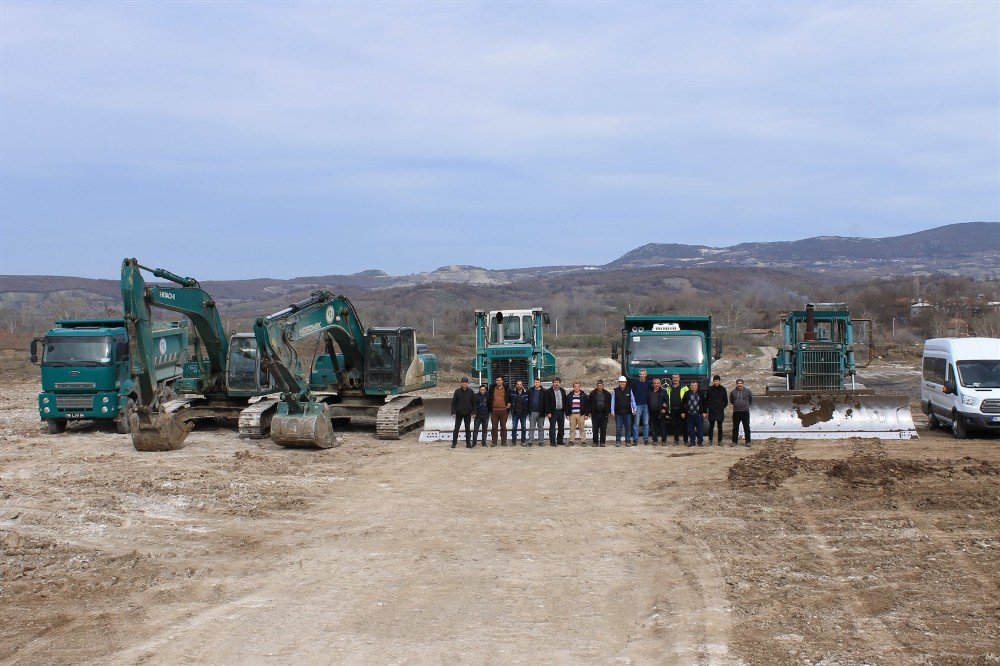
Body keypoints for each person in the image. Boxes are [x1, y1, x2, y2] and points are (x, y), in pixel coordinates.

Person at [450, 377, 476, 448]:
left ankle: (468, 444)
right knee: (456, 428)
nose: (464, 383)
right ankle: (454, 443)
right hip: (459, 413)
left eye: (466, 382)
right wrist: (453, 412)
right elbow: (453, 402)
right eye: (463, 382)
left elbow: (474, 403)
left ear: (467, 383)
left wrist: (474, 412)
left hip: (468, 413)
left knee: (468, 429)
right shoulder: (457, 391)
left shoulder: (471, 391)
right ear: (461, 383)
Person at [611, 376, 636, 446]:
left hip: (628, 412)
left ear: (626, 383)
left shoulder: (629, 390)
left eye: (623, 382)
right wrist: (612, 410)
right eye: (621, 382)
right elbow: (613, 401)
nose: (622, 383)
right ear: (619, 383)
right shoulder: (615, 390)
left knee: (628, 428)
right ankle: (618, 441)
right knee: (619, 428)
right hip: (618, 413)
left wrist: (635, 408)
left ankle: (627, 441)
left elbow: (632, 400)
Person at [681, 379, 706, 446]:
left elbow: (704, 403)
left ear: (697, 386)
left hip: (699, 414)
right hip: (689, 414)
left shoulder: (701, 393)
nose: (694, 387)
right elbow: (682, 403)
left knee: (699, 429)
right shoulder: (687, 393)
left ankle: (700, 442)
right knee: (690, 429)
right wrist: (683, 412)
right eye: (692, 385)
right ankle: (692, 442)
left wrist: (704, 412)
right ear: (690, 386)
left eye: (695, 385)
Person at [544, 376, 568, 446]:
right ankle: (552, 442)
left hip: (561, 412)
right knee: (552, 427)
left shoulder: (562, 391)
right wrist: (548, 412)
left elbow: (565, 401)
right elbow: (546, 403)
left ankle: (560, 440)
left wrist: (566, 413)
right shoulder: (548, 391)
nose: (556, 384)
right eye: (555, 382)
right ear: (553, 383)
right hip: (552, 412)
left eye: (557, 382)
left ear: (560, 383)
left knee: (561, 427)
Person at [487, 376, 510, 446]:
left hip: (504, 410)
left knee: (503, 427)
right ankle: (494, 442)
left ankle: (503, 442)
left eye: (500, 380)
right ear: (495, 381)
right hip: (494, 410)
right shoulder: (492, 388)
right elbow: (488, 398)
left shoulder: (506, 388)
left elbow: (509, 397)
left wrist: (509, 403)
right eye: (497, 380)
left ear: (502, 381)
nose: (498, 381)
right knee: (494, 427)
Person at [706, 374, 729, 446]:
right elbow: (707, 400)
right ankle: (710, 440)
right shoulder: (709, 389)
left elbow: (726, 401)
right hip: (712, 410)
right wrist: (709, 407)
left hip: (719, 410)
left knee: (720, 427)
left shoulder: (723, 389)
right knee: (711, 426)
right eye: (715, 381)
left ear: (720, 382)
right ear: (713, 381)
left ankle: (720, 441)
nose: (716, 382)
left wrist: (722, 407)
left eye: (717, 381)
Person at [631, 368, 652, 444]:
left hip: (646, 405)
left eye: (643, 374)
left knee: (646, 423)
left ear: (646, 375)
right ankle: (635, 440)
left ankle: (646, 439)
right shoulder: (635, 383)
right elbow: (632, 394)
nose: (642, 375)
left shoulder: (649, 383)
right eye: (641, 374)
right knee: (636, 424)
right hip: (637, 405)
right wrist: (633, 405)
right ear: (639, 375)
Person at [730, 378, 753, 447]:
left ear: (743, 384)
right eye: (738, 383)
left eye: (740, 383)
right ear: (736, 384)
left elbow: (751, 400)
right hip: (736, 412)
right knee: (735, 428)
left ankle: (748, 441)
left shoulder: (748, 391)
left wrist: (745, 405)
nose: (739, 385)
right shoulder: (733, 392)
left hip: (745, 412)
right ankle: (734, 442)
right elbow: (731, 400)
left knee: (746, 427)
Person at [588, 379, 611, 446]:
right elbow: (589, 403)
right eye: (598, 385)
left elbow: (609, 403)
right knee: (595, 428)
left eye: (601, 385)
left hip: (604, 413)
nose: (599, 387)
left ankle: (602, 442)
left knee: (603, 428)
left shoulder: (607, 394)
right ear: (596, 386)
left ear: (603, 386)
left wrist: (609, 412)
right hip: (595, 413)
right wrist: (589, 412)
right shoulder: (592, 393)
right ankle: (595, 442)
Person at [648, 378, 670, 445]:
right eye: (655, 383)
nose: (656, 385)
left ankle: (664, 441)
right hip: (652, 412)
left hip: (661, 413)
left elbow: (667, 401)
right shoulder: (649, 392)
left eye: (658, 383)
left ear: (660, 384)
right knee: (653, 427)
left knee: (662, 427)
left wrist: (665, 409)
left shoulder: (663, 391)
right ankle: (655, 440)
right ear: (653, 384)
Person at [565, 381, 588, 446]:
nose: (576, 387)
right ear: (573, 387)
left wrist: (586, 414)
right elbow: (566, 405)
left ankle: (583, 441)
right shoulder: (569, 395)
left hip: (581, 414)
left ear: (580, 387)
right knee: (572, 429)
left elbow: (587, 405)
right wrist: (567, 414)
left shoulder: (584, 395)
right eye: (575, 386)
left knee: (582, 428)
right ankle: (571, 441)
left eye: (578, 386)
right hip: (572, 414)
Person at [668, 374, 688, 445]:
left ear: (679, 378)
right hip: (673, 409)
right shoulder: (669, 388)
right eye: (674, 378)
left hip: (682, 410)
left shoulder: (684, 387)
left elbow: (687, 399)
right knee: (674, 426)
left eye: (676, 378)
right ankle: (676, 440)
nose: (675, 379)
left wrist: (685, 410)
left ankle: (686, 441)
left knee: (684, 425)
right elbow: (667, 399)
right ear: (672, 379)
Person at [509, 379, 529, 446]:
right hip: (515, 413)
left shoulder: (526, 392)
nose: (519, 385)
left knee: (524, 428)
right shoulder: (512, 392)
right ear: (516, 385)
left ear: (522, 385)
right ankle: (513, 442)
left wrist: (527, 412)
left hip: (523, 414)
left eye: (520, 384)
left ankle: (523, 441)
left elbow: (528, 403)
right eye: (518, 384)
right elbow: (509, 400)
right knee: (514, 428)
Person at [527, 377, 546, 446]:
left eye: (538, 382)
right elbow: (528, 401)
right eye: (535, 382)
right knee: (532, 428)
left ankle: (541, 441)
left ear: (540, 383)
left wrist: (545, 411)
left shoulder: (544, 391)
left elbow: (545, 402)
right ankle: (530, 441)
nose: (537, 383)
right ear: (534, 383)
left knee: (541, 428)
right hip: (532, 412)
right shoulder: (530, 390)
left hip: (541, 412)